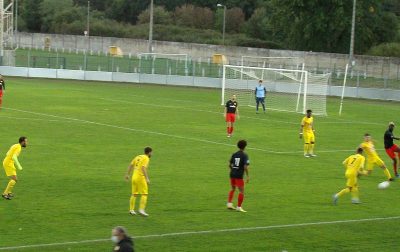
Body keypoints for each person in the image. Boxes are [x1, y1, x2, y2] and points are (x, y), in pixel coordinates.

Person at [125, 147, 152, 217]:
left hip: (134, 177)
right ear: (149, 152)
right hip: (140, 178)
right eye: (151, 152)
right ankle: (141, 210)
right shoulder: (146, 158)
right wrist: (147, 178)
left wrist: (127, 174)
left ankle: (131, 210)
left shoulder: (138, 156)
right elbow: (143, 168)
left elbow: (131, 165)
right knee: (144, 194)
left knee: (134, 194)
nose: (152, 154)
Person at [227, 140, 250, 212]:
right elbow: (245, 167)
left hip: (232, 174)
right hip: (239, 175)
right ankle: (239, 207)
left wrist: (233, 170)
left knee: (233, 189)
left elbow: (230, 164)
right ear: (245, 146)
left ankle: (229, 204)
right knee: (241, 191)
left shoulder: (234, 154)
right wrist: (247, 176)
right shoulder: (245, 155)